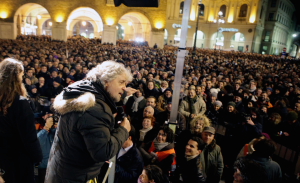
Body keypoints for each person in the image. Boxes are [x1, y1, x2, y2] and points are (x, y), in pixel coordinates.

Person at [45, 61, 132, 183]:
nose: (124, 87)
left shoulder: (83, 92)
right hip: (76, 177)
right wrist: (123, 130)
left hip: (63, 171)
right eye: (121, 82)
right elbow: (103, 152)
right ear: (106, 81)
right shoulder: (94, 107)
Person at [0, 58, 43, 183]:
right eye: (21, 74)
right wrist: (37, 157)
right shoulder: (20, 103)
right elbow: (29, 136)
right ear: (15, 77)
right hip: (18, 159)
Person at [37, 113, 56, 183]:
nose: (51, 119)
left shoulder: (53, 132)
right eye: (48, 116)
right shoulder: (38, 130)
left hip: (55, 166)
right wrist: (46, 128)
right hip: (43, 168)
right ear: (43, 116)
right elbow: (37, 143)